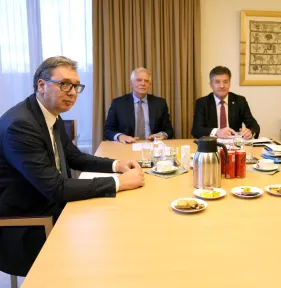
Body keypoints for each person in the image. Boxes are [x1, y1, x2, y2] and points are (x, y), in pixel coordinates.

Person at [0, 56, 145, 276]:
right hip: (27, 222)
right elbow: (56, 189)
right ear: (41, 85)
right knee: (110, 240)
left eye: (76, 86)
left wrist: (117, 165)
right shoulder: (21, 126)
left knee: (121, 221)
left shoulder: (50, 115)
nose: (72, 92)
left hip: (49, 203)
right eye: (65, 84)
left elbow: (75, 157)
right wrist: (119, 182)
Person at [104, 67, 174, 143]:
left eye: (146, 81)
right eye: (139, 80)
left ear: (149, 84)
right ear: (131, 83)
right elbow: (108, 130)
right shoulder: (118, 103)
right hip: (127, 147)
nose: (143, 83)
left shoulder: (160, 103)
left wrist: (162, 135)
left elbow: (169, 130)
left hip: (153, 147)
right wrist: (120, 136)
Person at [191, 66, 260, 139]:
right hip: (212, 144)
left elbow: (254, 126)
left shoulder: (240, 101)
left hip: (234, 145)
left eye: (225, 82)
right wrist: (217, 132)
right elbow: (196, 130)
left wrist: (250, 132)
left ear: (229, 84)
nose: (222, 86)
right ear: (211, 85)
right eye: (217, 82)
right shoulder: (202, 103)